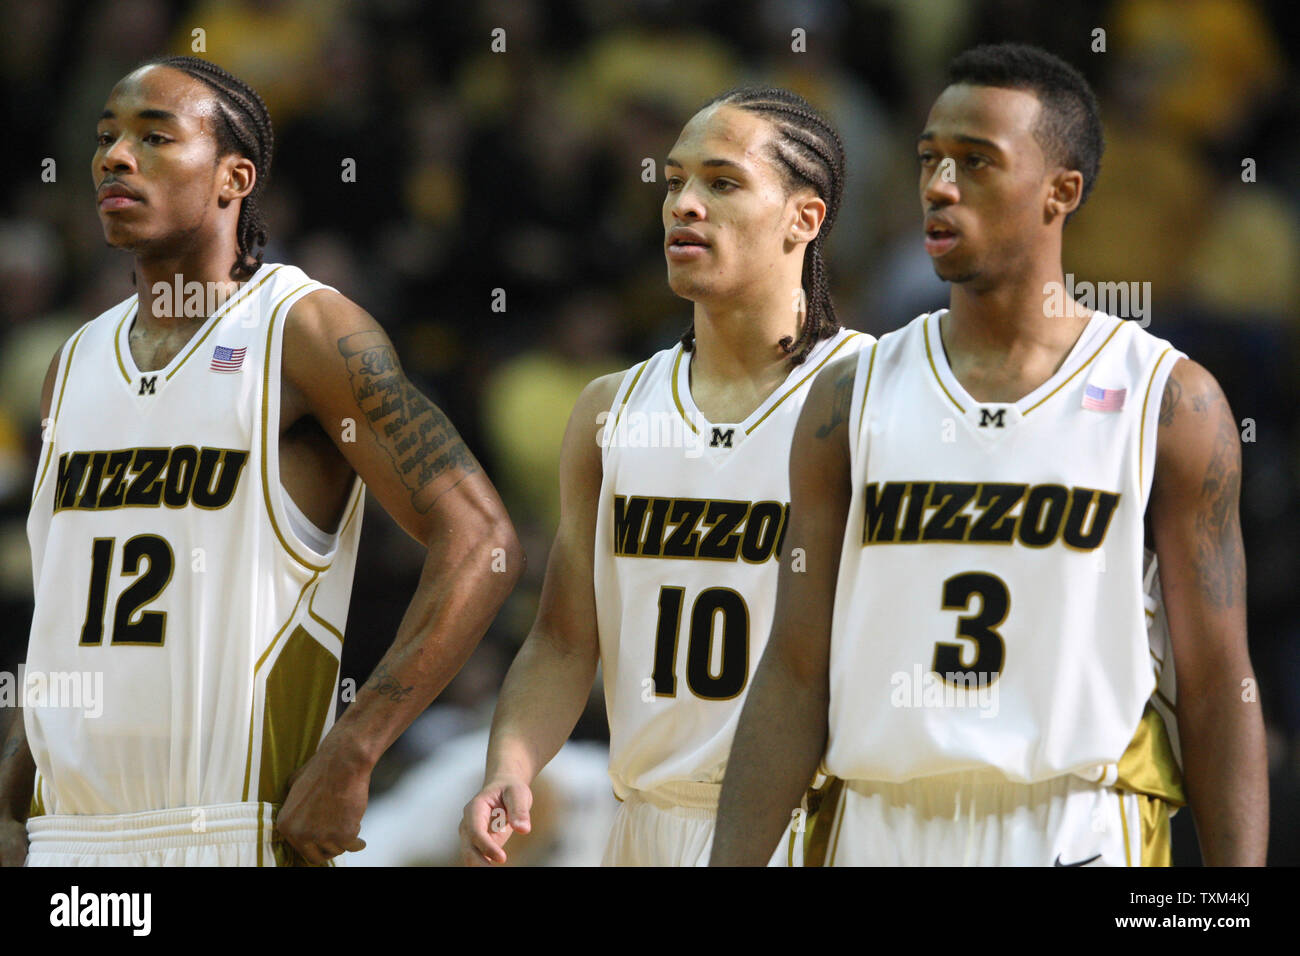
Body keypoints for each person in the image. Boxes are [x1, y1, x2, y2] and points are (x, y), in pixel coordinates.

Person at [712, 43, 1268, 866]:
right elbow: (793, 673)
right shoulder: (845, 398)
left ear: (1060, 193)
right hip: (878, 822)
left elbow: (1220, 684)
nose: (940, 186)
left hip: (1074, 828)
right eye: (930, 159)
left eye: (977, 163)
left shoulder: (1168, 400)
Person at [0, 55, 522, 867]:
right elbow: (65, 613)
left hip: (228, 829)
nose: (114, 157)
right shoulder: (74, 362)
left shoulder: (303, 332)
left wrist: (355, 749)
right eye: (105, 138)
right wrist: (9, 793)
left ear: (232, 176)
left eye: (154, 136)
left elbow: (482, 540)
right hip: (66, 836)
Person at [459, 87, 871, 866]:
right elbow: (562, 638)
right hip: (645, 826)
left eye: (722, 182)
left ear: (804, 219)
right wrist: (510, 764)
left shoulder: (871, 394)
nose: (684, 204)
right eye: (674, 182)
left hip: (816, 825)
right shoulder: (610, 409)